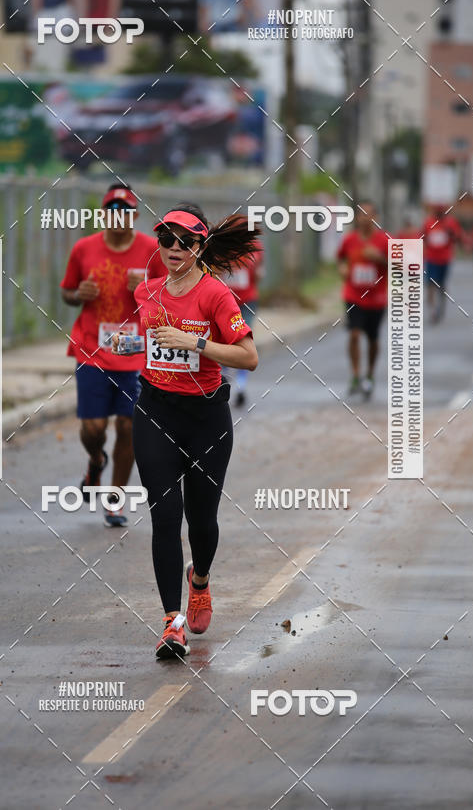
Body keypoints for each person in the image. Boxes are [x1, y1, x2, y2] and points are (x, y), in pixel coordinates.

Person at [113, 203, 259, 659]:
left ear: (200, 247)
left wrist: (194, 341)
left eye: (184, 241)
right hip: (156, 410)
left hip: (206, 419)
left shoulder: (216, 296)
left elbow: (249, 356)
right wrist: (126, 342)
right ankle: (171, 624)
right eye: (165, 239)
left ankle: (200, 580)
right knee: (164, 517)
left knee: (202, 521)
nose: (173, 248)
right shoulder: (147, 292)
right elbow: (147, 341)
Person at [60, 183, 166, 526]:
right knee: (93, 429)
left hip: (136, 350)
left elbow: (172, 294)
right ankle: (96, 460)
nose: (119, 217)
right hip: (93, 347)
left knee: (128, 425)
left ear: (134, 215)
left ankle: (115, 499)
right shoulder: (83, 249)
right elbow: (66, 292)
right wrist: (79, 293)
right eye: (112, 210)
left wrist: (148, 290)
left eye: (126, 210)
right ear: (104, 214)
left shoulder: (153, 250)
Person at [337, 203, 389, 398]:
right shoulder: (349, 240)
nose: (365, 218)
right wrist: (342, 268)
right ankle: (356, 375)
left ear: (376, 217)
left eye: (370, 214)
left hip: (376, 299)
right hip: (353, 296)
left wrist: (379, 259)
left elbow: (401, 265)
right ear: (357, 217)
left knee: (373, 339)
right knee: (354, 334)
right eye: (362, 214)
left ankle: (370, 374)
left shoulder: (383, 240)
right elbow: (340, 258)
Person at [221, 240, 264, 406]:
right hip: (224, 303)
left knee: (244, 343)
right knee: (223, 341)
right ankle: (225, 378)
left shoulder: (254, 249)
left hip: (247, 302)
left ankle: (240, 387)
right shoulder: (221, 250)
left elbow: (257, 274)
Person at [421, 205, 464, 324]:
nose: (439, 213)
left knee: (441, 285)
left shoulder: (451, 223)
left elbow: (458, 238)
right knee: (430, 285)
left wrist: (451, 234)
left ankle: (441, 306)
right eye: (437, 210)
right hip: (431, 259)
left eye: (442, 210)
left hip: (445, 259)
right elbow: (422, 237)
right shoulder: (428, 222)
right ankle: (433, 311)